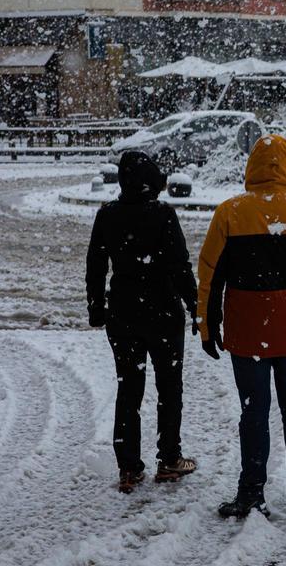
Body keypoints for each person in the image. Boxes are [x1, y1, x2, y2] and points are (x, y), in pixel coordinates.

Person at [196, 134, 286, 519]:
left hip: (246, 334)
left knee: (253, 411)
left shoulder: (230, 213)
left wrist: (208, 326)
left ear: (252, 167)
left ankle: (251, 491)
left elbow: (209, 276)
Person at [86, 151, 199, 493]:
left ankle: (130, 467)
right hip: (163, 311)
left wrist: (96, 307)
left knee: (128, 389)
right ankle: (169, 460)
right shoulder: (163, 214)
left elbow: (96, 265)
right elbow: (180, 264)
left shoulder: (107, 215)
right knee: (169, 387)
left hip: (122, 312)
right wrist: (196, 306)